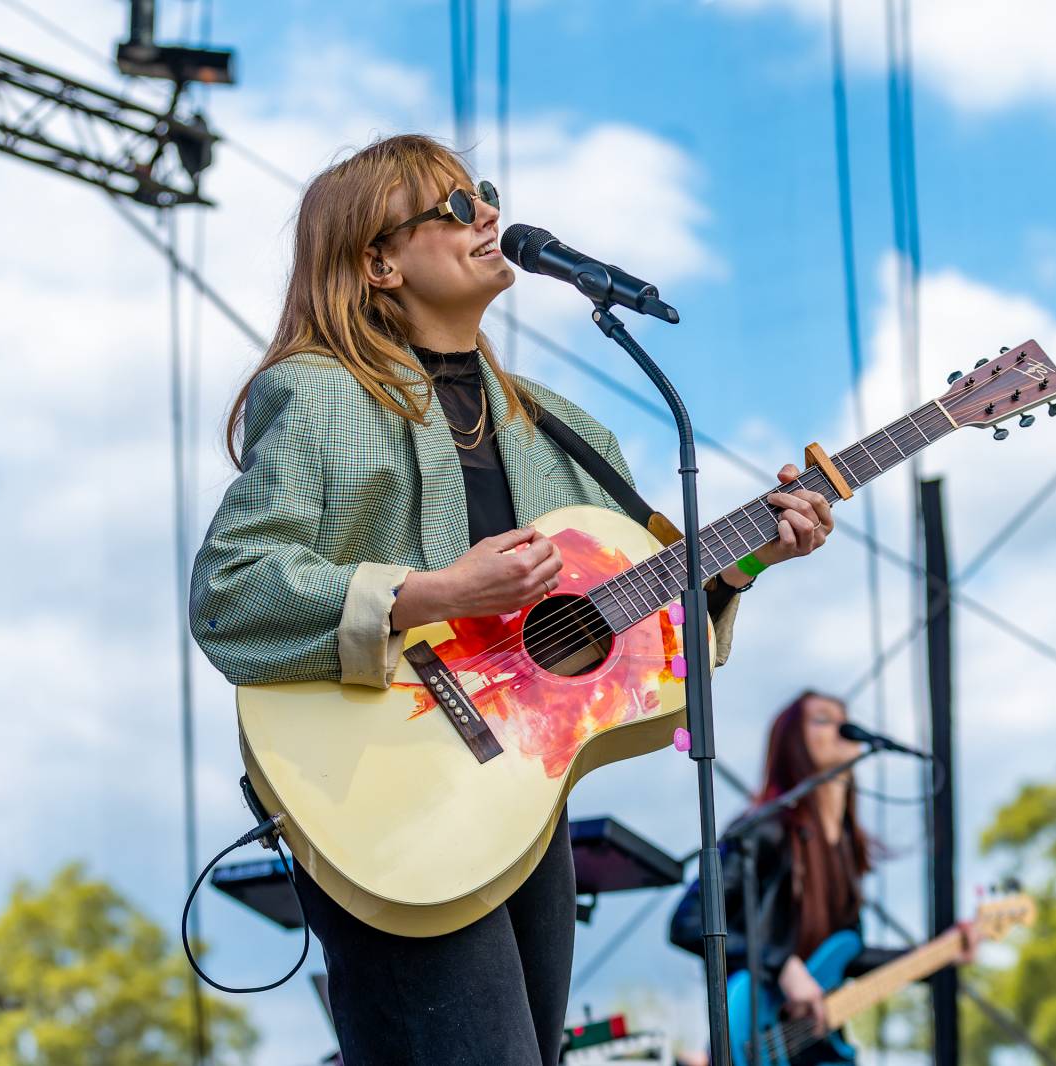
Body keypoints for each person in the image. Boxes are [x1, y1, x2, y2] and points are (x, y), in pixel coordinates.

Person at [189, 133, 835, 1066]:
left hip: (517, 802)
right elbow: (230, 593)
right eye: (453, 207)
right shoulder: (322, 396)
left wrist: (741, 566)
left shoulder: (564, 431)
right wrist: (436, 593)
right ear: (378, 262)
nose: (488, 214)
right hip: (381, 796)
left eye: (484, 195)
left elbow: (636, 619)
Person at [670, 691, 975, 1050]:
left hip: (814, 1043)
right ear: (792, 744)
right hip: (758, 1030)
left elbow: (848, 954)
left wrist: (940, 953)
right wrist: (782, 966)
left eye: (843, 718)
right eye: (823, 719)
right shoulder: (765, 830)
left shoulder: (846, 850)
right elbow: (689, 921)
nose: (842, 727)